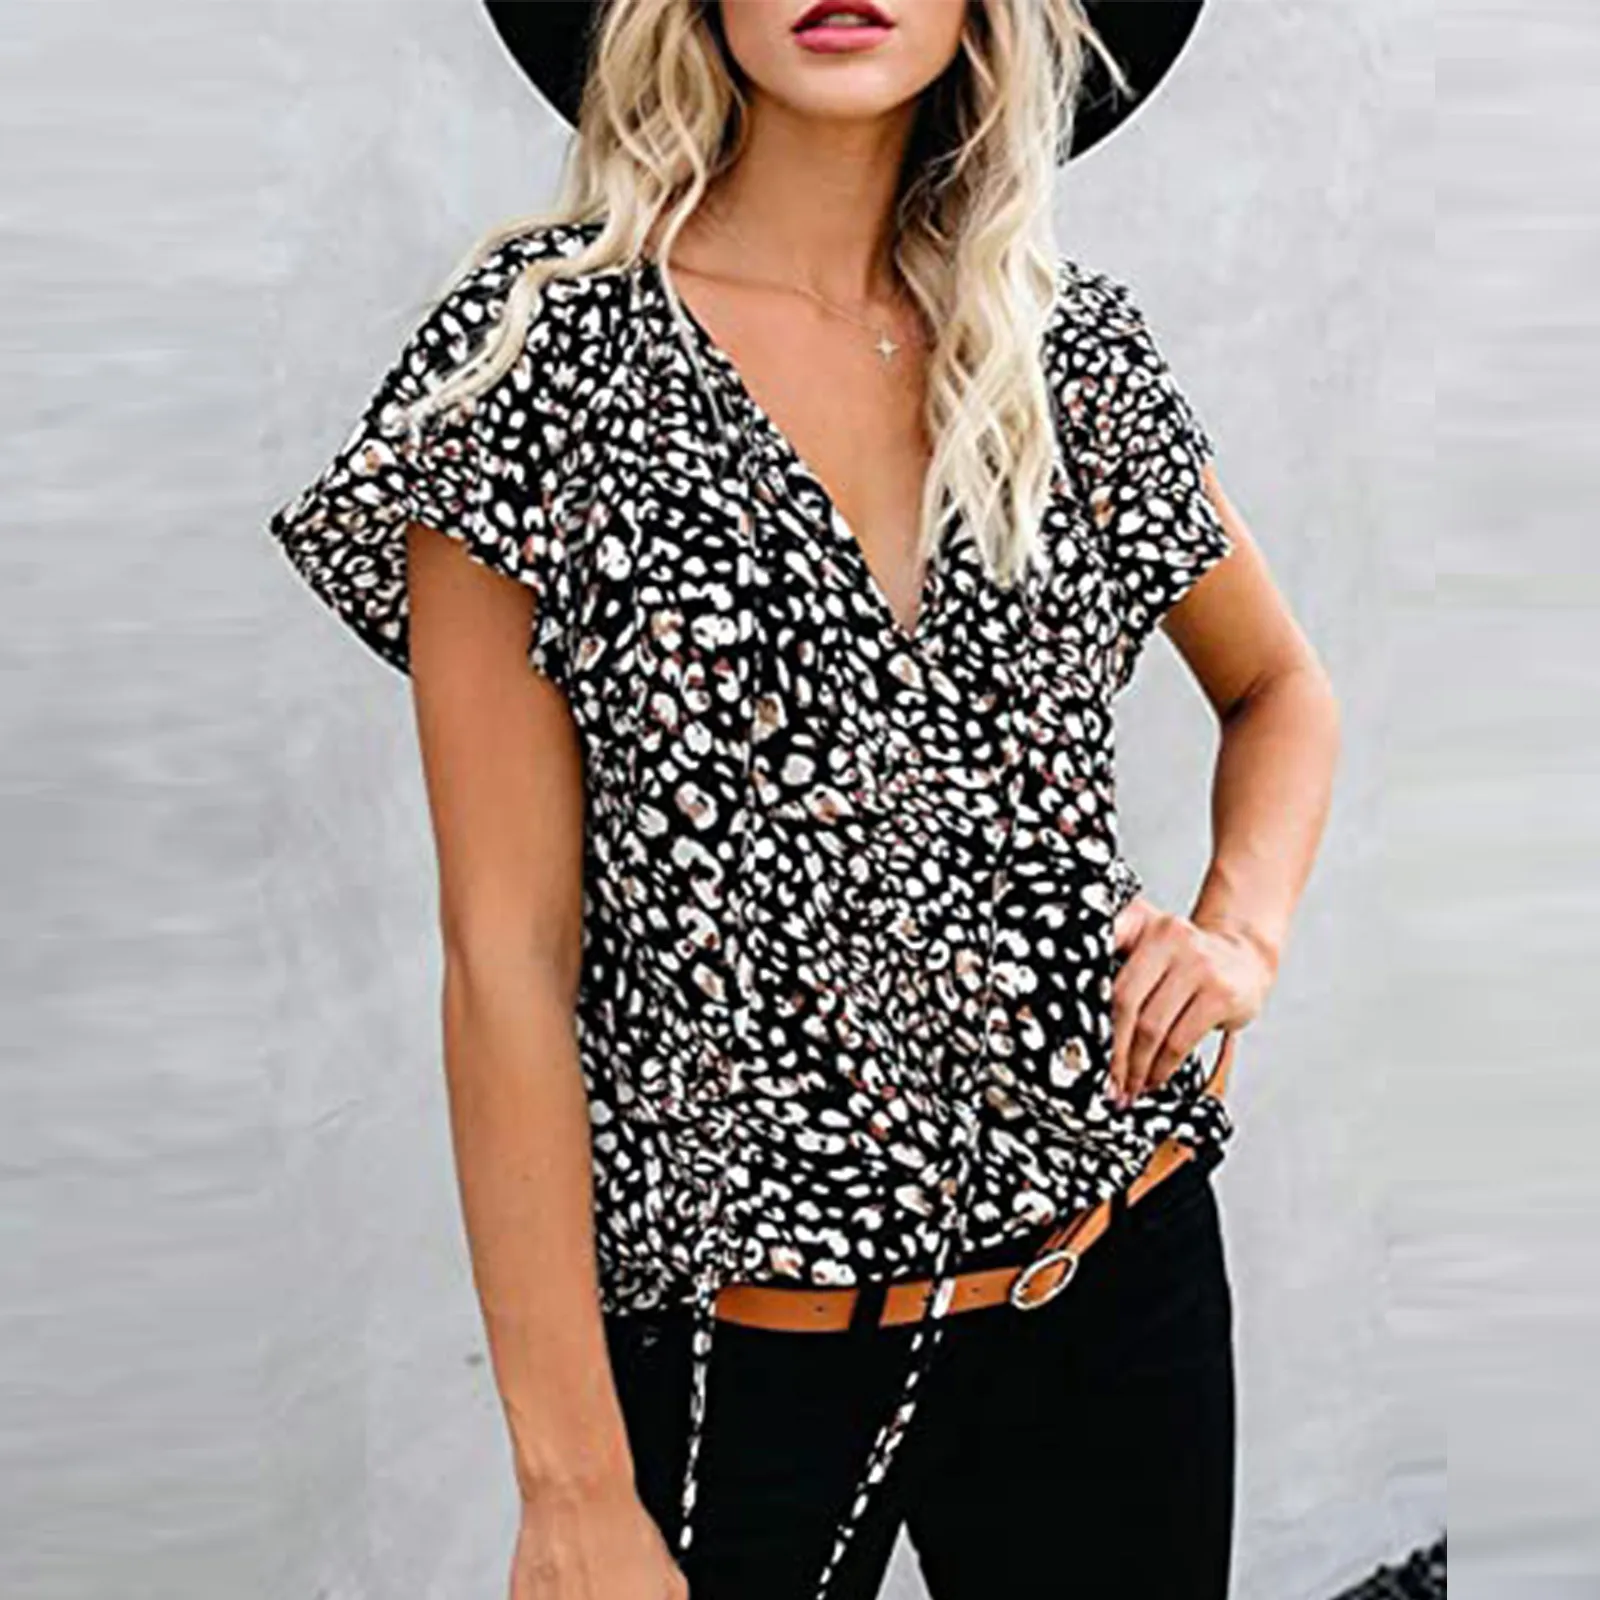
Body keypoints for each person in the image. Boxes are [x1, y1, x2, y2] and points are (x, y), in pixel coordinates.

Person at [265, 3, 1341, 1597]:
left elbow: (1280, 689)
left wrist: (1239, 931)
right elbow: (506, 962)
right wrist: (571, 1486)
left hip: (1107, 1292)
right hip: (739, 1350)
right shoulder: (539, 363)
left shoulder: (1056, 344)